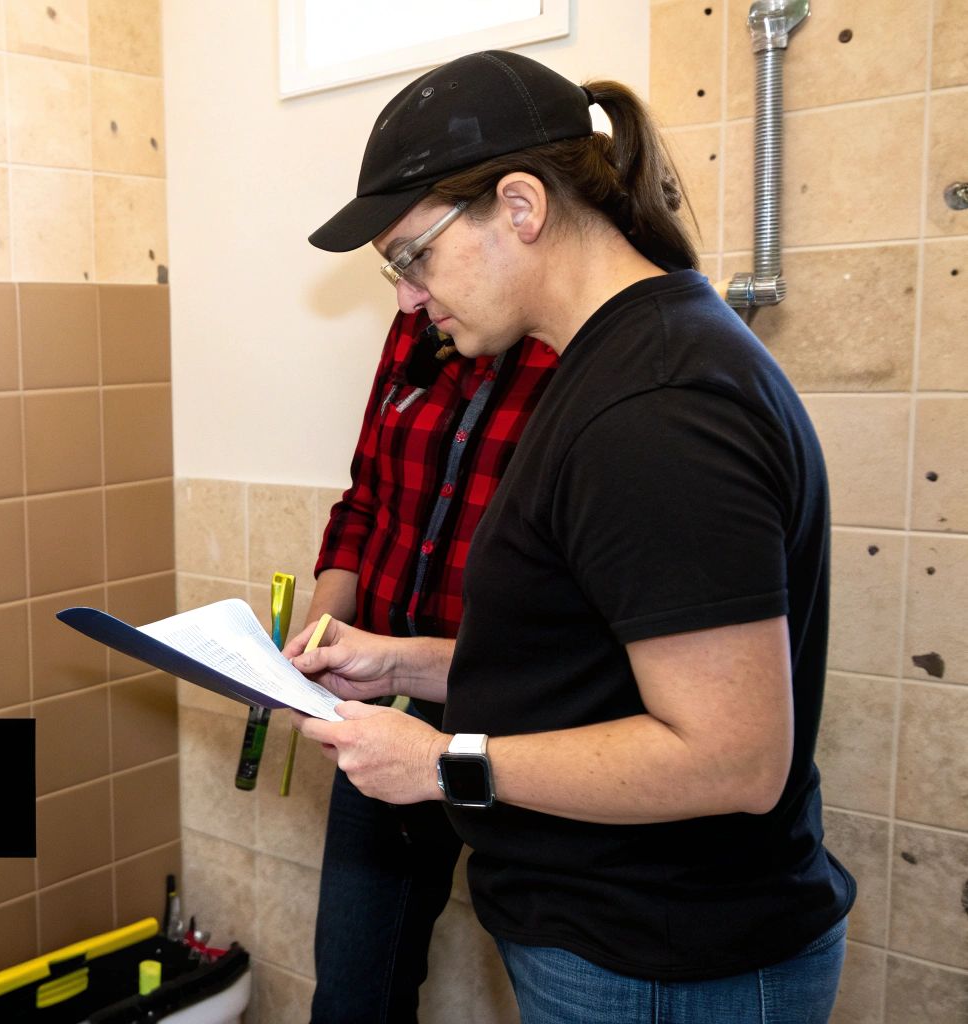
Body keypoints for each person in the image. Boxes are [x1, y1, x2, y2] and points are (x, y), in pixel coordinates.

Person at [285, 50, 852, 1023]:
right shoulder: (613, 364)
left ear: (519, 205)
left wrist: (437, 763)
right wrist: (401, 665)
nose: (407, 300)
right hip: (617, 941)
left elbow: (730, 759)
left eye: (412, 257)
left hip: (665, 958)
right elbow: (583, 669)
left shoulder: (655, 403)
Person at [302, 301, 554, 1023]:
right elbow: (364, 501)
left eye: (414, 251)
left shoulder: (581, 344)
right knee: (354, 996)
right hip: (385, 701)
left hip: (524, 712)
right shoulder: (419, 321)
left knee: (562, 985)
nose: (409, 292)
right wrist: (323, 635)